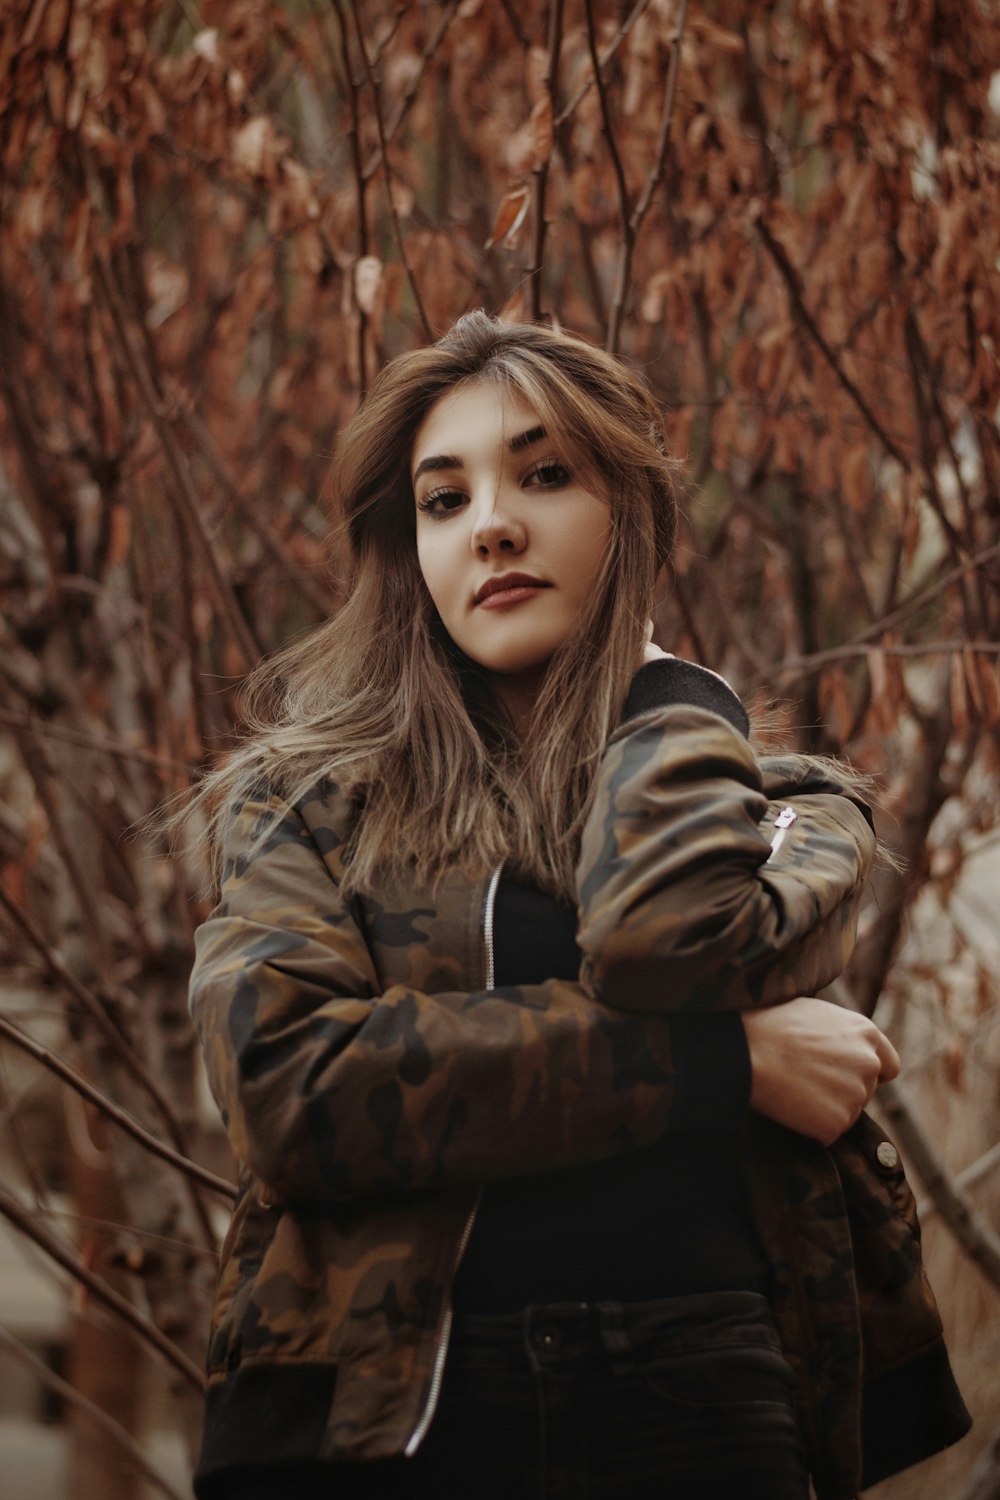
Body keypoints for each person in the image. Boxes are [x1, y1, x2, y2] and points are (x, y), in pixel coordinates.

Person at [184, 313, 970, 1500]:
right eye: (442, 501)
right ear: (411, 550)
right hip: (385, 1415)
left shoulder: (790, 809)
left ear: (634, 519)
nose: (492, 521)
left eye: (545, 476)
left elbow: (666, 938)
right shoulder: (309, 803)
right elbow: (288, 1088)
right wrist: (722, 1068)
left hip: (704, 1396)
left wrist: (665, 693)